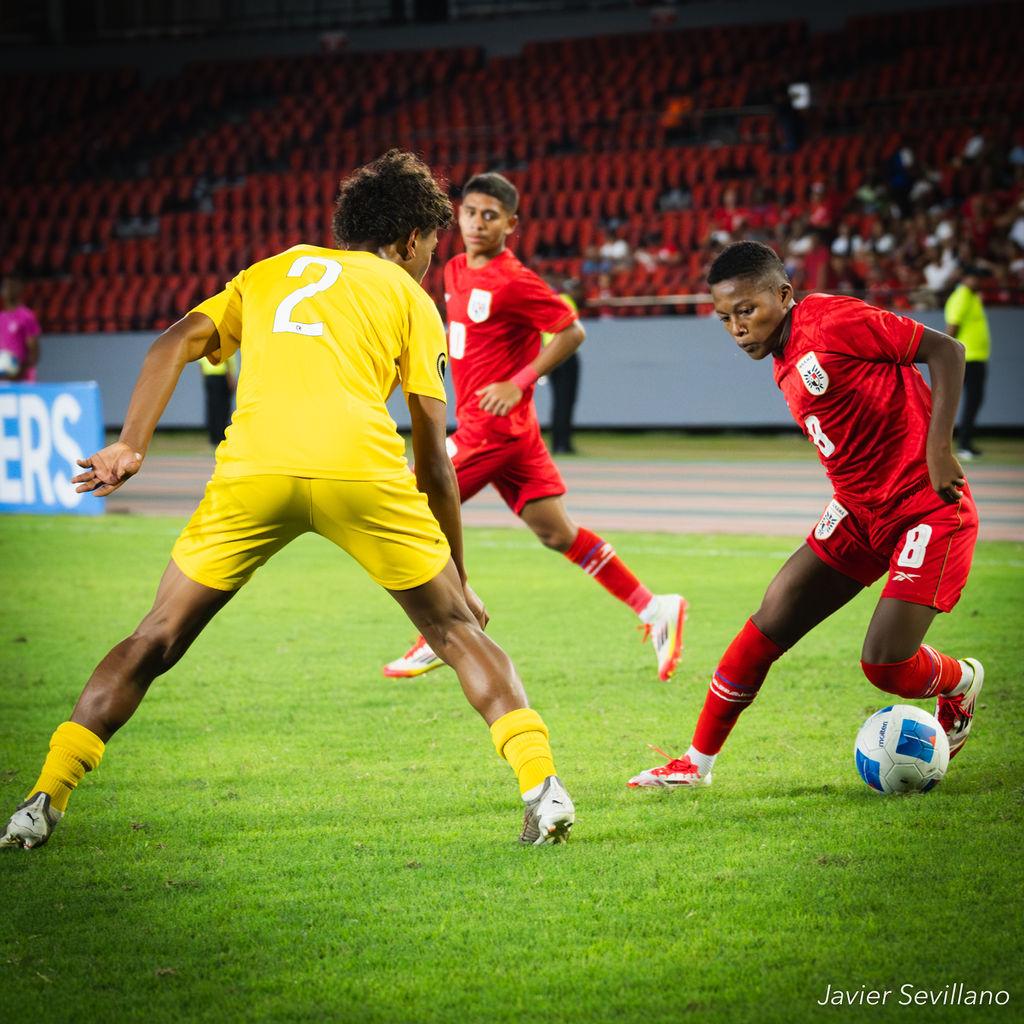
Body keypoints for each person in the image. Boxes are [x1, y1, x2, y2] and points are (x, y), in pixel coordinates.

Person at [0, 151, 574, 850]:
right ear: (405, 240)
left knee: (155, 637)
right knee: (457, 632)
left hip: (255, 471)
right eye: (429, 243)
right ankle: (543, 791)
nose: (429, 258)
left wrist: (130, 444)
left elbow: (174, 341)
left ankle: (42, 799)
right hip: (356, 468)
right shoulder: (407, 297)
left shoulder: (270, 271)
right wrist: (458, 576)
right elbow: (433, 455)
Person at [628, 241, 983, 789]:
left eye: (746, 310)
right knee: (771, 619)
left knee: (885, 664)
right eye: (725, 318)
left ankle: (959, 682)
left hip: (925, 507)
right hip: (858, 511)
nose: (737, 328)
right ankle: (695, 766)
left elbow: (948, 352)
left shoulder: (833, 320)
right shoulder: (783, 358)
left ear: (784, 294)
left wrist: (940, 448)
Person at [383, 172, 687, 682]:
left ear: (511, 224)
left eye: (490, 216)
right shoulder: (455, 270)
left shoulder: (515, 280)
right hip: (514, 434)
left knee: (417, 506)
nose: (477, 223)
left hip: (493, 428)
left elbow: (571, 330)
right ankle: (655, 608)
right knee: (555, 531)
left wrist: (517, 381)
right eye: (470, 212)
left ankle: (442, 630)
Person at [944, 265, 991, 460]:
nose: (978, 281)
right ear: (964, 277)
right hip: (967, 357)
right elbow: (952, 327)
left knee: (974, 400)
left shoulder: (973, 297)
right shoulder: (961, 297)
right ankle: (962, 444)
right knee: (967, 400)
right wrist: (946, 355)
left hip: (977, 357)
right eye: (974, 277)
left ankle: (965, 442)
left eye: (979, 278)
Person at [542, 274, 582, 455]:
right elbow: (573, 329)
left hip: (551, 357)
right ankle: (563, 444)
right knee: (566, 402)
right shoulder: (565, 300)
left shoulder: (543, 304)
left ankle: (557, 442)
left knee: (558, 402)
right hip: (567, 356)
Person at [0, 274, 42, 381]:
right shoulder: (1, 318)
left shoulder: (27, 317)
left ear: (20, 289)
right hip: (3, 382)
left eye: (13, 286)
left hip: (23, 382)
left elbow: (34, 353)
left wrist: (17, 374)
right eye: (7, 286)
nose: (10, 289)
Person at [199, 350, 239, 446]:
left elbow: (200, 364)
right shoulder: (223, 342)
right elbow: (227, 362)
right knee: (223, 408)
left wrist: (204, 379)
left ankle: (213, 438)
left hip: (209, 377)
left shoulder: (207, 345)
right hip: (222, 377)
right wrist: (231, 380)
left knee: (212, 408)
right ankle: (221, 437)